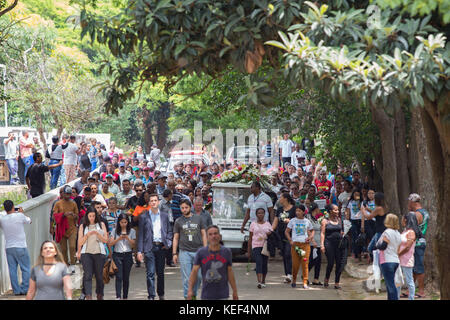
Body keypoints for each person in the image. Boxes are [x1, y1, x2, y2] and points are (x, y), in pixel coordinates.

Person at [136, 193, 173, 300]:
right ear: (149, 203)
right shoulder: (144, 216)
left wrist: (168, 243)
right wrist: (139, 251)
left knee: (160, 273)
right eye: (151, 201)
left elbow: (169, 231)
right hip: (149, 247)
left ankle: (161, 294)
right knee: (150, 273)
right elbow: (141, 235)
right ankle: (151, 296)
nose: (153, 202)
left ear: (158, 202)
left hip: (161, 247)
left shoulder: (164, 215)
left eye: (155, 200)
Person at [187, 225, 238, 300]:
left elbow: (230, 271)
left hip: (223, 295)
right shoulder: (201, 252)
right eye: (210, 234)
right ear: (207, 238)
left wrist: (235, 291)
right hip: (207, 295)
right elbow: (194, 272)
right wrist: (190, 290)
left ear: (220, 236)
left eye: (215, 233)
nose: (213, 236)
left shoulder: (227, 252)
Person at [173, 199, 207, 299]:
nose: (184, 210)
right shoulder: (178, 221)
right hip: (184, 252)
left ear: (190, 207)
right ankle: (188, 297)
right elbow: (175, 237)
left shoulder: (199, 219)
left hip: (198, 251)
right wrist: (174, 253)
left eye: (186, 207)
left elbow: (204, 234)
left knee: (199, 276)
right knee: (187, 278)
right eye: (182, 208)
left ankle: (194, 294)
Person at [76, 206, 109, 300]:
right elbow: (80, 242)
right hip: (86, 253)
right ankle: (88, 296)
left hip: (99, 253)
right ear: (87, 216)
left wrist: (98, 234)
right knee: (88, 275)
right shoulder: (83, 226)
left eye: (93, 216)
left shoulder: (101, 224)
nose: (92, 218)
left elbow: (105, 240)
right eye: (90, 216)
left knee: (99, 276)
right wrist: (87, 235)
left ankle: (100, 294)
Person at [0, 201, 31, 295]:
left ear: (5, 209)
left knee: (12, 269)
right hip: (21, 246)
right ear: (13, 207)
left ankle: (16, 290)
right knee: (25, 268)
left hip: (9, 247)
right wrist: (22, 213)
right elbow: (29, 220)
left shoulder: (2, 219)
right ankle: (25, 289)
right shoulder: (20, 216)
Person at [285, 204, 314, 289]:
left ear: (303, 212)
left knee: (305, 264)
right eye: (296, 211)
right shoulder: (292, 221)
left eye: (299, 211)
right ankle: (294, 280)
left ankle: (305, 282)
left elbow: (312, 231)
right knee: (295, 264)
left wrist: (310, 237)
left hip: (305, 245)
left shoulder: (307, 221)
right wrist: (290, 240)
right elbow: (286, 232)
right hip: (295, 245)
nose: (297, 212)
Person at [108, 213, 136, 300]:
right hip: (117, 255)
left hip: (127, 255)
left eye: (125, 222)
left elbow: (133, 245)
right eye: (122, 222)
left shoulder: (132, 231)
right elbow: (110, 243)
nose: (123, 224)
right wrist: (118, 238)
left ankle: (125, 296)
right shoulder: (114, 231)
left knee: (126, 277)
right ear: (118, 222)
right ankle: (118, 296)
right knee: (119, 276)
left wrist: (127, 238)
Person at [53, 185, 79, 272]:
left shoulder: (73, 203)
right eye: (66, 194)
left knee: (72, 246)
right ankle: (66, 264)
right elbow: (54, 216)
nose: (68, 195)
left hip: (72, 228)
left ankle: (72, 263)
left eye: (69, 194)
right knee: (63, 249)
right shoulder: (58, 203)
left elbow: (77, 215)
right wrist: (63, 215)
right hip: (62, 229)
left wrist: (74, 215)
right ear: (63, 194)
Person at [376, 213, 402, 300]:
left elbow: (383, 246)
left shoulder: (387, 232)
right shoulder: (398, 233)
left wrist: (377, 245)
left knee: (390, 285)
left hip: (387, 260)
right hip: (395, 260)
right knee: (389, 283)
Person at [407, 193, 429, 298]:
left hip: (416, 242)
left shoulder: (416, 214)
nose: (408, 204)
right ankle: (410, 289)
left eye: (409, 202)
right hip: (422, 241)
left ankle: (421, 291)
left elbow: (413, 229)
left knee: (418, 267)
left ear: (412, 202)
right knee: (415, 266)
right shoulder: (425, 212)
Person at [320, 204, 347, 289]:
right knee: (331, 263)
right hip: (329, 243)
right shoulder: (325, 221)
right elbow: (322, 233)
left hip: (338, 244)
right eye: (335, 210)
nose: (337, 211)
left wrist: (343, 233)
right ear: (330, 211)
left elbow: (341, 230)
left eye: (338, 210)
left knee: (339, 263)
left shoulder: (339, 220)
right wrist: (322, 245)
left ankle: (336, 282)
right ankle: (327, 279)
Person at [274, 192, 296, 283]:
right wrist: (270, 230)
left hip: (290, 235)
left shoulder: (294, 209)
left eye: (281, 197)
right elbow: (275, 222)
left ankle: (290, 274)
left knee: (288, 253)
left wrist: (290, 221)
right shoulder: (279, 210)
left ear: (286, 199)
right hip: (280, 235)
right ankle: (287, 274)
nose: (279, 199)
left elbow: (298, 221)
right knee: (284, 255)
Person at [397, 212, 420, 300]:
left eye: (402, 218)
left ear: (406, 220)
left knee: (409, 280)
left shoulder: (411, 232)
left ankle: (411, 298)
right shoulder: (405, 231)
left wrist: (398, 254)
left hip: (406, 259)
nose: (401, 220)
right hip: (399, 259)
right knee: (398, 279)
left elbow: (407, 247)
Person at [248, 208, 273, 289]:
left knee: (264, 263)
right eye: (259, 213)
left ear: (264, 214)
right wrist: (249, 250)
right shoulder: (253, 224)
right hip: (256, 245)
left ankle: (263, 281)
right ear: (256, 214)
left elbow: (272, 235)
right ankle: (259, 281)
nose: (260, 214)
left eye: (262, 213)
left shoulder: (268, 224)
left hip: (265, 246)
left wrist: (269, 233)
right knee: (259, 262)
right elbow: (250, 237)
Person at [306, 202, 323, 286]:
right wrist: (312, 241)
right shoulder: (308, 218)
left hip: (318, 242)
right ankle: (305, 275)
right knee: (312, 260)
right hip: (312, 243)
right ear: (316, 209)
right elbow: (308, 230)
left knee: (318, 261)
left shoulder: (317, 218)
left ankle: (316, 279)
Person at [346, 188, 364, 260]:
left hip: (360, 220)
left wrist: (360, 204)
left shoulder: (362, 202)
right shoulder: (350, 202)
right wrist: (347, 222)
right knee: (354, 237)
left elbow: (363, 212)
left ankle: (360, 252)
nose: (356, 196)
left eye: (358, 194)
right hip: (353, 221)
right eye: (355, 194)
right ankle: (355, 253)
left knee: (360, 237)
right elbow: (348, 212)